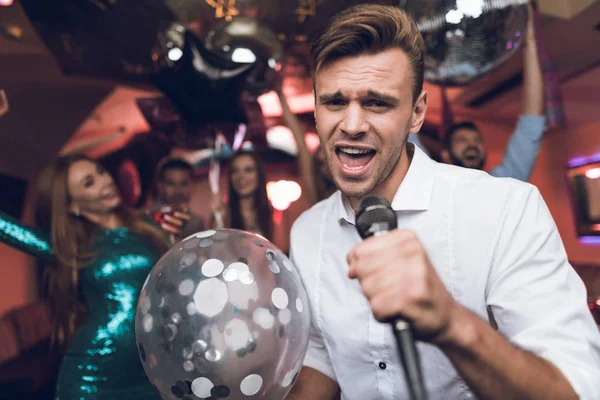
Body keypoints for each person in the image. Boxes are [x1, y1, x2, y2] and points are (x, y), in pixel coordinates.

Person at [287, 4, 600, 400]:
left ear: (416, 112)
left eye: (377, 103)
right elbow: (321, 355)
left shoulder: (505, 209)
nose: (351, 125)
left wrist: (452, 323)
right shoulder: (307, 232)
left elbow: (577, 389)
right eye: (334, 102)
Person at [0, 154, 188, 400]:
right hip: (95, 375)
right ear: (73, 206)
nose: (105, 181)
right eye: (89, 182)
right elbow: (6, 227)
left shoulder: (146, 225)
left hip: (151, 368)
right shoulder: (71, 246)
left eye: (100, 172)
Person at [409, 1, 545, 182]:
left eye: (476, 141)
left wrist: (530, 40)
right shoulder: (429, 182)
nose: (472, 145)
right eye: (462, 141)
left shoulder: (502, 185)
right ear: (446, 155)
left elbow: (532, 123)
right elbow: (405, 121)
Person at [275, 87, 337, 205]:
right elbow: (301, 144)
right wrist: (279, 94)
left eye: (329, 161)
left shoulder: (363, 186)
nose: (326, 168)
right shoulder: (318, 193)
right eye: (321, 164)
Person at [210, 150, 274, 241]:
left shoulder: (267, 212)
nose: (241, 177)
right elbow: (213, 249)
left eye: (248, 170)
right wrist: (217, 219)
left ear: (259, 175)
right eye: (235, 171)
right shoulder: (223, 212)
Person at [153, 158, 205, 237]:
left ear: (193, 186)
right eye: (170, 184)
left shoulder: (196, 223)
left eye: (184, 184)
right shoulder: (148, 219)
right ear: (160, 186)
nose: (177, 191)